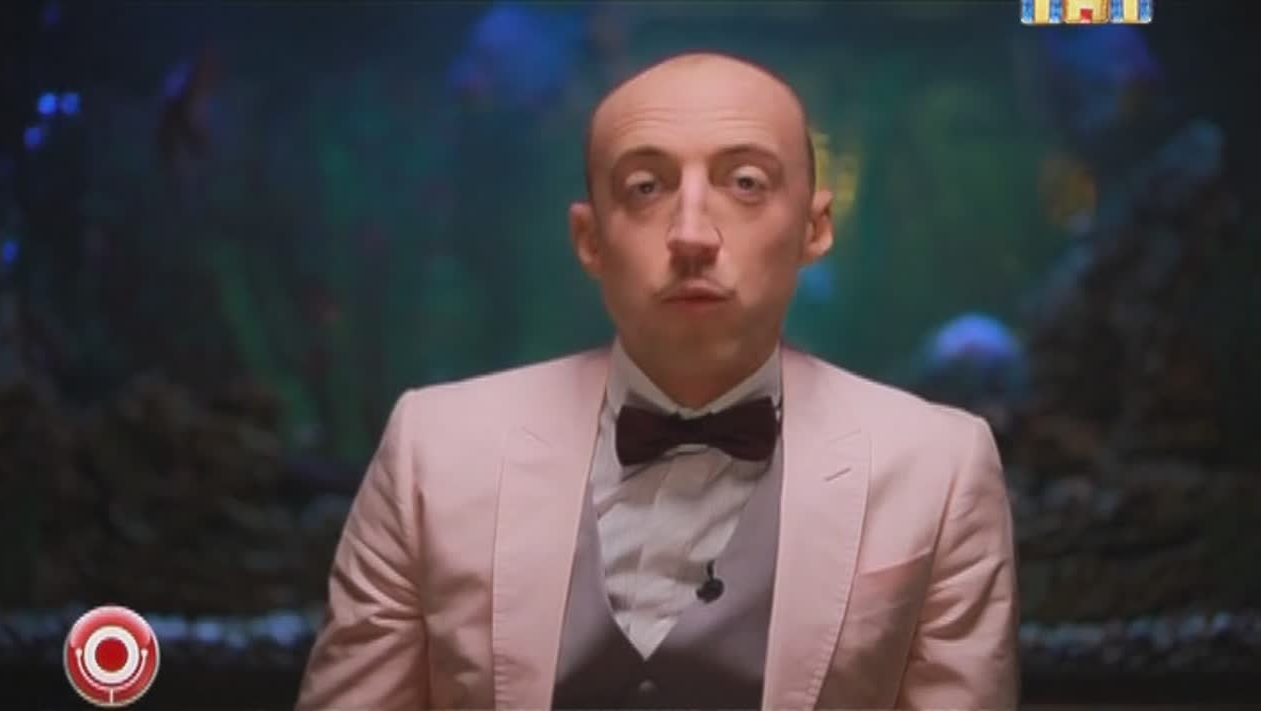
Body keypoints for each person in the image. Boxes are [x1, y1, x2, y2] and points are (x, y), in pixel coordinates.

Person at [295, 52, 1019, 710]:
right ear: (589, 239)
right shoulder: (433, 451)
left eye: (745, 183)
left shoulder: (940, 468)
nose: (692, 234)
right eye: (645, 187)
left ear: (814, 228)